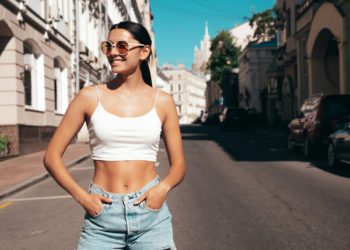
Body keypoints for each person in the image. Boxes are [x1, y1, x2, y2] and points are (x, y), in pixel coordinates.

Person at [43, 21, 186, 250]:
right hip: (102, 219)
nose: (112, 53)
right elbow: (51, 157)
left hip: (151, 217)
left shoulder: (163, 101)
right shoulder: (89, 97)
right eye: (108, 46)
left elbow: (179, 165)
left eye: (121, 46)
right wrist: (83, 198)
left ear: (144, 51)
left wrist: (162, 189)